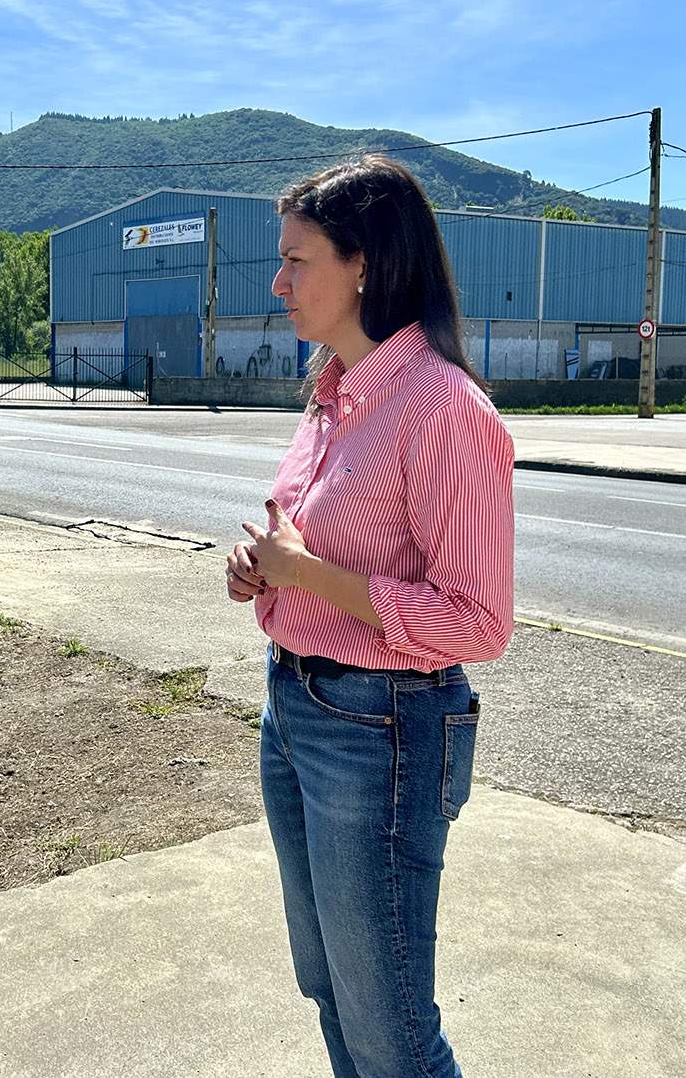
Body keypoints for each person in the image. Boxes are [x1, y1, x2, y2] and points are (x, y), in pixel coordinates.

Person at [226, 156, 514, 1078]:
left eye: (296, 260)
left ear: (363, 264)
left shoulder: (443, 408)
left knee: (390, 1024)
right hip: (294, 707)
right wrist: (264, 573)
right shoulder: (333, 393)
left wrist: (309, 572)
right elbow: (309, 547)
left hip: (380, 729)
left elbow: (479, 621)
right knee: (329, 986)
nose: (278, 283)